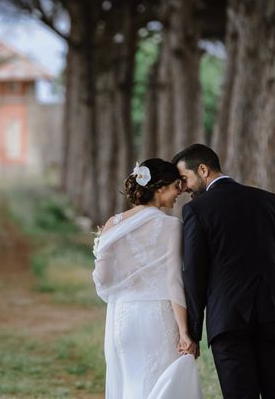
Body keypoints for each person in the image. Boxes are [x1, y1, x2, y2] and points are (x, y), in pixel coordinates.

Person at [173, 144, 275, 398]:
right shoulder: (268, 200)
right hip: (274, 314)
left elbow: (194, 275)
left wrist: (194, 332)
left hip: (228, 320)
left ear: (203, 169)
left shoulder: (196, 210)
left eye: (184, 179)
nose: (184, 188)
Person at [93, 158, 202, 399]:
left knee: (132, 386)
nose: (179, 193)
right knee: (159, 385)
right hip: (157, 318)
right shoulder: (172, 226)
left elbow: (102, 278)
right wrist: (185, 331)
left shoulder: (114, 223)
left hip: (123, 318)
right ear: (160, 187)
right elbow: (173, 281)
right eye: (176, 186)